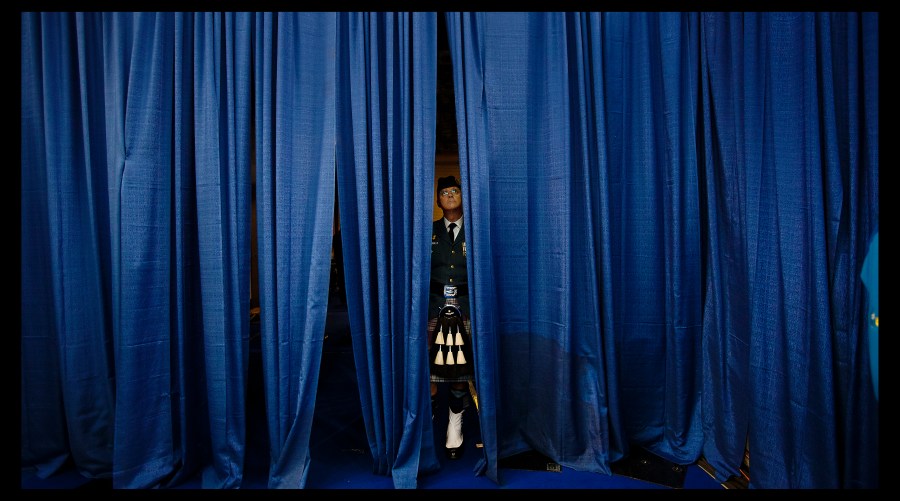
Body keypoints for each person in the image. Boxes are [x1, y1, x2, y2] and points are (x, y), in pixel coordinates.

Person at [429, 175, 474, 460]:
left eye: (454, 191)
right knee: (429, 365)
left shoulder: (474, 230)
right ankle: (427, 424)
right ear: (438, 200)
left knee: (459, 367)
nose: (449, 195)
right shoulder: (429, 231)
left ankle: (454, 425)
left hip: (465, 305)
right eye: (444, 192)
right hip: (434, 306)